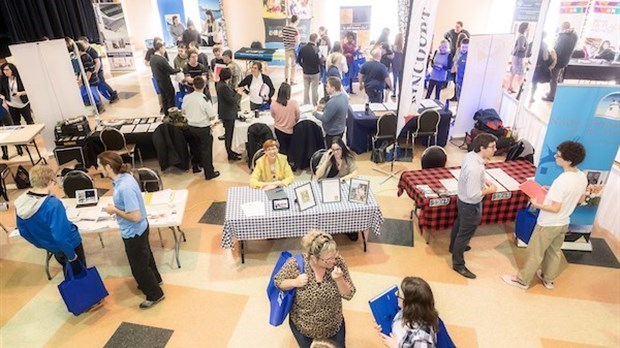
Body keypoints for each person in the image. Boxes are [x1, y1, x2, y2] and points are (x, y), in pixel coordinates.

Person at [502, 141, 587, 290]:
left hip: (548, 223)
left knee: (535, 252)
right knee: (554, 252)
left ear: (568, 161)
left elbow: (554, 208)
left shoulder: (562, 181)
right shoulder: (581, 177)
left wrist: (537, 204)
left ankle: (522, 280)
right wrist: (551, 193)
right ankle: (548, 279)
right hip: (564, 222)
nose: (555, 156)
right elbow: (579, 199)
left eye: (559, 155)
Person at [98, 151, 165, 309]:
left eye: (100, 165)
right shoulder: (126, 177)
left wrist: (114, 210)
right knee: (146, 258)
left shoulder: (124, 187)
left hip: (133, 231)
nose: (97, 168)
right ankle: (155, 280)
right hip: (141, 228)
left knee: (139, 267)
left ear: (108, 167)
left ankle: (155, 294)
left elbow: (135, 216)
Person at [274, 230, 356, 348]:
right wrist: (294, 282)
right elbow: (278, 281)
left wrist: (339, 280)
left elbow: (349, 294)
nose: (333, 261)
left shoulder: (338, 262)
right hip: (304, 327)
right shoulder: (296, 264)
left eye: (334, 255)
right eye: (328, 259)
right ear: (313, 258)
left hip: (333, 326)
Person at [15, 165, 86, 279]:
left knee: (67, 272)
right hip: (70, 245)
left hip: (52, 246)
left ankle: (75, 294)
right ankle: (85, 295)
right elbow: (60, 236)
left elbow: (23, 231)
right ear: (50, 181)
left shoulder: (20, 202)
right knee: (79, 274)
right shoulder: (53, 204)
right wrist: (72, 256)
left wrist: (42, 244)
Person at [449, 134, 498, 279]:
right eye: (492, 147)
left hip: (462, 200)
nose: (495, 150)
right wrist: (491, 189)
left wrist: (483, 180)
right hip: (470, 204)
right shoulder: (475, 168)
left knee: (459, 225)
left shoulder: (470, 156)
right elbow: (473, 194)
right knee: (465, 234)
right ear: (482, 148)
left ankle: (453, 247)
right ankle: (458, 264)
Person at [379, 277, 439, 348]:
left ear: (409, 305)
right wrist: (384, 326)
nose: (396, 295)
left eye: (399, 295)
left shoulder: (422, 339)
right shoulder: (406, 311)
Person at [181, 76, 220, 180]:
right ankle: (209, 173)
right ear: (204, 86)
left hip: (191, 127)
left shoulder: (187, 97)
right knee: (206, 150)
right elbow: (212, 116)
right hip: (203, 128)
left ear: (193, 85)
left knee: (195, 148)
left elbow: (183, 111)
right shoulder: (204, 99)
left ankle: (196, 166)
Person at [77, 36, 119, 103]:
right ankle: (110, 95)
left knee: (102, 84)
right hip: (95, 72)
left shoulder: (92, 51)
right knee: (101, 85)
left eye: (81, 44)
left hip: (98, 71)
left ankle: (113, 95)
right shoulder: (86, 51)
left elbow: (98, 62)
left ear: (86, 42)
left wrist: (95, 72)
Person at [543, 22, 578, 102]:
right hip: (566, 60)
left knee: (553, 78)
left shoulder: (563, 37)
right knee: (556, 77)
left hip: (558, 60)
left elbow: (558, 50)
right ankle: (552, 93)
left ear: (562, 27)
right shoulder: (574, 36)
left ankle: (551, 96)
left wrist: (551, 55)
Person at [216, 68, 243, 160]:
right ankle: (230, 154)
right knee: (229, 135)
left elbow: (228, 95)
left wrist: (234, 91)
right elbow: (232, 100)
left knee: (230, 134)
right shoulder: (223, 86)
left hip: (226, 113)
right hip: (228, 114)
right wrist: (239, 94)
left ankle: (232, 152)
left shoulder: (221, 84)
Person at [314, 77, 348, 147]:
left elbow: (325, 118)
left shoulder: (333, 102)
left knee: (331, 151)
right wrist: (324, 108)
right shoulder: (344, 96)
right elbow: (335, 110)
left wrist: (314, 113)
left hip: (332, 132)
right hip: (341, 129)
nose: (326, 88)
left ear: (333, 88)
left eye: (327, 86)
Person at [150, 41, 181, 116]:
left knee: (164, 98)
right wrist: (180, 69)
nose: (165, 50)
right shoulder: (161, 59)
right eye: (164, 48)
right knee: (170, 98)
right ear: (160, 48)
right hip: (165, 81)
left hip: (158, 81)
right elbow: (170, 71)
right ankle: (172, 115)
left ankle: (166, 114)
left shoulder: (152, 59)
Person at [270, 82, 300, 156]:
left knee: (283, 148)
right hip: (291, 130)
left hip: (278, 130)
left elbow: (273, 115)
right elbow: (297, 117)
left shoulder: (273, 104)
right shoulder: (294, 103)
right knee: (290, 148)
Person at [76, 42, 105, 114]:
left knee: (93, 94)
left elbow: (89, 71)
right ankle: (96, 108)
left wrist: (86, 81)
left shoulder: (85, 57)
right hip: (89, 80)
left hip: (91, 80)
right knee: (88, 94)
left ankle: (100, 108)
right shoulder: (82, 57)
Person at [298, 33, 322, 106]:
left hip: (305, 71)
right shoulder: (317, 49)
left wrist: (303, 66)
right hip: (315, 72)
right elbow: (319, 61)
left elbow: (298, 59)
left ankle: (306, 103)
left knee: (306, 88)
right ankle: (315, 104)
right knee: (314, 89)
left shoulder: (303, 48)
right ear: (316, 40)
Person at [530, 33, 553, 103]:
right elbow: (545, 58)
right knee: (534, 83)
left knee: (527, 81)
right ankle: (531, 97)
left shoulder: (532, 43)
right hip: (538, 66)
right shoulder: (544, 45)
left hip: (530, 65)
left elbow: (527, 54)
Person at [507, 22, 529, 94]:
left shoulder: (520, 36)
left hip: (516, 56)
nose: (529, 28)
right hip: (518, 57)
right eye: (528, 27)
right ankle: (517, 88)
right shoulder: (522, 37)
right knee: (520, 73)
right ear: (525, 28)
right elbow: (520, 47)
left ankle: (510, 87)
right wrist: (526, 49)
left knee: (513, 72)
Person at [282, 15, 300, 85]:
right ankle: (292, 80)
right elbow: (297, 41)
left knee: (286, 65)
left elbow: (280, 35)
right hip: (293, 49)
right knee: (293, 65)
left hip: (286, 49)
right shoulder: (295, 29)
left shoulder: (284, 28)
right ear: (296, 21)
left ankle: (286, 79)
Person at [391, 33, 404, 99]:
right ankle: (400, 93)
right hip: (402, 65)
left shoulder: (393, 47)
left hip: (395, 64)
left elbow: (392, 56)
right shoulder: (403, 48)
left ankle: (394, 93)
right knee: (400, 80)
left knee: (394, 80)